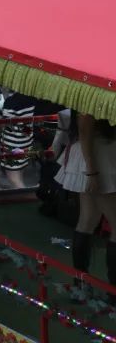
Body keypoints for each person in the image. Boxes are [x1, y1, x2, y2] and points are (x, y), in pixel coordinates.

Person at [55, 111, 116, 297]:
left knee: (88, 219)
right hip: (97, 158)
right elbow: (84, 128)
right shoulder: (91, 96)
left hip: (95, 156)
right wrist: (91, 171)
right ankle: (112, 290)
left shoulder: (86, 90)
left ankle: (81, 283)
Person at [0, 92, 36, 190]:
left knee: (13, 178)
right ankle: (18, 192)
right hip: (26, 142)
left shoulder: (11, 102)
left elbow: (6, 125)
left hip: (12, 144)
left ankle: (26, 200)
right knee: (19, 174)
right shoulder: (32, 98)